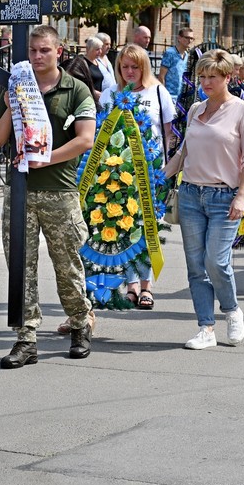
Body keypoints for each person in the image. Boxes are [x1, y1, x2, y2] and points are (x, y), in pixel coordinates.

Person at [0, 25, 97, 368]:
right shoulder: (18, 87)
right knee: (21, 267)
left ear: (59, 52)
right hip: (20, 191)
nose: (37, 57)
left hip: (59, 191)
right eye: (33, 51)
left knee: (67, 265)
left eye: (44, 51)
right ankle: (26, 338)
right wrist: (8, 106)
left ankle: (80, 324)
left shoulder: (75, 89)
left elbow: (85, 140)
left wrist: (42, 157)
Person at [164, 49, 244, 349]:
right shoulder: (194, 110)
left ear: (228, 78)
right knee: (195, 265)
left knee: (215, 261)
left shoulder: (243, 110)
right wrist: (159, 177)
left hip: (224, 196)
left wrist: (241, 196)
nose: (205, 82)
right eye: (202, 76)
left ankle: (231, 310)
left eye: (212, 77)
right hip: (191, 194)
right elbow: (183, 152)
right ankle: (206, 327)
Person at [97, 44, 176, 310]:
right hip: (117, 171)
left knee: (148, 228)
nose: (130, 71)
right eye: (125, 66)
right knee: (124, 227)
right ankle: (130, 286)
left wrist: (166, 169)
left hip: (151, 173)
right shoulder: (109, 93)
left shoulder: (158, 92)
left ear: (144, 67)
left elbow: (169, 134)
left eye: (135, 66)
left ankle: (147, 286)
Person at [158, 28, 194, 104]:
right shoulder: (170, 53)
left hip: (180, 97)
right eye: (187, 37)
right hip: (169, 96)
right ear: (179, 38)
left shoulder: (186, 55)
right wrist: (164, 96)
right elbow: (161, 76)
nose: (189, 41)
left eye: (191, 38)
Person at [83, 36, 105, 101]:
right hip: (87, 99)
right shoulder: (82, 63)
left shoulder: (98, 62)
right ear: (88, 49)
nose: (100, 52)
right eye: (97, 49)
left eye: (101, 49)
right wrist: (93, 92)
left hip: (98, 100)